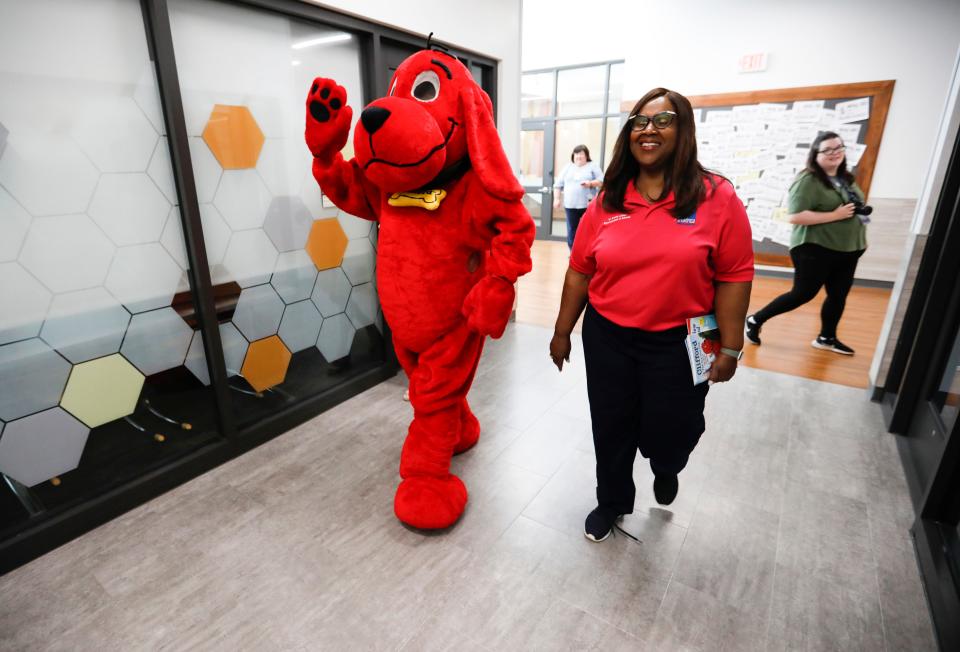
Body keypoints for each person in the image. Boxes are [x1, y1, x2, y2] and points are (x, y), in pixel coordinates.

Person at [549, 88, 754, 543]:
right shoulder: (608, 199)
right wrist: (563, 332)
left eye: (663, 121)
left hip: (682, 341)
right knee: (611, 423)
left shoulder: (717, 197)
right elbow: (580, 270)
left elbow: (735, 276)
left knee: (673, 429)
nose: (649, 129)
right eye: (640, 121)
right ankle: (612, 500)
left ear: (684, 130)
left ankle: (666, 465)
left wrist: (733, 347)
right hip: (608, 337)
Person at [744, 131, 868, 355]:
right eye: (828, 149)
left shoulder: (845, 178)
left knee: (838, 294)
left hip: (848, 249)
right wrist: (835, 215)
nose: (835, 153)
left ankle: (826, 338)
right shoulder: (808, 180)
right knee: (803, 293)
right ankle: (755, 319)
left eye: (839, 148)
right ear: (815, 154)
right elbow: (795, 216)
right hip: (815, 248)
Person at [553, 145, 604, 248]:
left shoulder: (592, 166)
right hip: (570, 205)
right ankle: (573, 253)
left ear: (586, 155)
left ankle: (588, 251)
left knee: (589, 229)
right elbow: (558, 185)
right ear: (573, 155)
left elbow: (602, 182)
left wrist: (590, 183)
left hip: (588, 205)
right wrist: (557, 199)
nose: (578, 156)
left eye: (581, 154)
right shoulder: (568, 167)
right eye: (576, 154)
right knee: (572, 230)